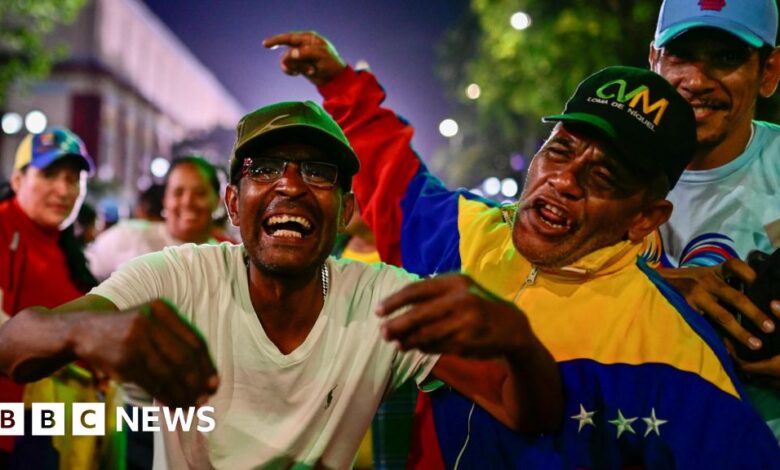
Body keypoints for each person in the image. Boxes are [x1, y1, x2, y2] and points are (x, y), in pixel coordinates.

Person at [266, 31, 780, 468]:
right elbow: (391, 173)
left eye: (603, 175)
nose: (563, 180)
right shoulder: (467, 231)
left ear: (644, 218)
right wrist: (337, 82)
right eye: (558, 149)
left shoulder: (678, 355)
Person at [0, 101, 563, 469]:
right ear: (232, 205)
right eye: (265, 168)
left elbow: (525, 412)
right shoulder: (177, 275)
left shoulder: (382, 301)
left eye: (318, 171)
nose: (291, 185)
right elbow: (15, 345)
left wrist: (518, 340)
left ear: (346, 211)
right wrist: (83, 333)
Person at [647, 0, 780, 438]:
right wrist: (659, 284)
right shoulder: (601, 170)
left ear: (769, 72)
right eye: (681, 56)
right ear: (654, 61)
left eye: (726, 57)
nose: (696, 82)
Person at [0, 127, 101, 468]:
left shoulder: (66, 247)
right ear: (17, 181)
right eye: (49, 175)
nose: (63, 189)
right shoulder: (4, 229)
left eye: (73, 179)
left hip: (58, 420)